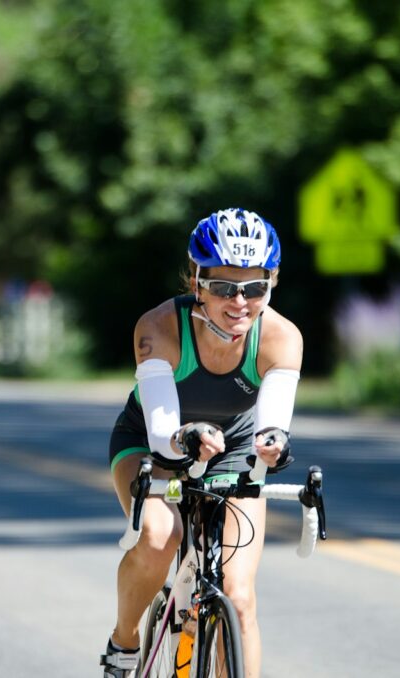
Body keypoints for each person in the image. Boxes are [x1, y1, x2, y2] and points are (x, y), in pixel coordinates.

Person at [100, 208, 303, 678]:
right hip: (151, 441)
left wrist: (274, 443)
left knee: (239, 594)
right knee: (159, 536)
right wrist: (183, 439)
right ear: (197, 282)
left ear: (271, 284)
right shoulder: (158, 329)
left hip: (233, 448)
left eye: (255, 288)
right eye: (223, 287)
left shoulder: (281, 336)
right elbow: (162, 434)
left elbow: (271, 422)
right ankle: (125, 643)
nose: (240, 302)